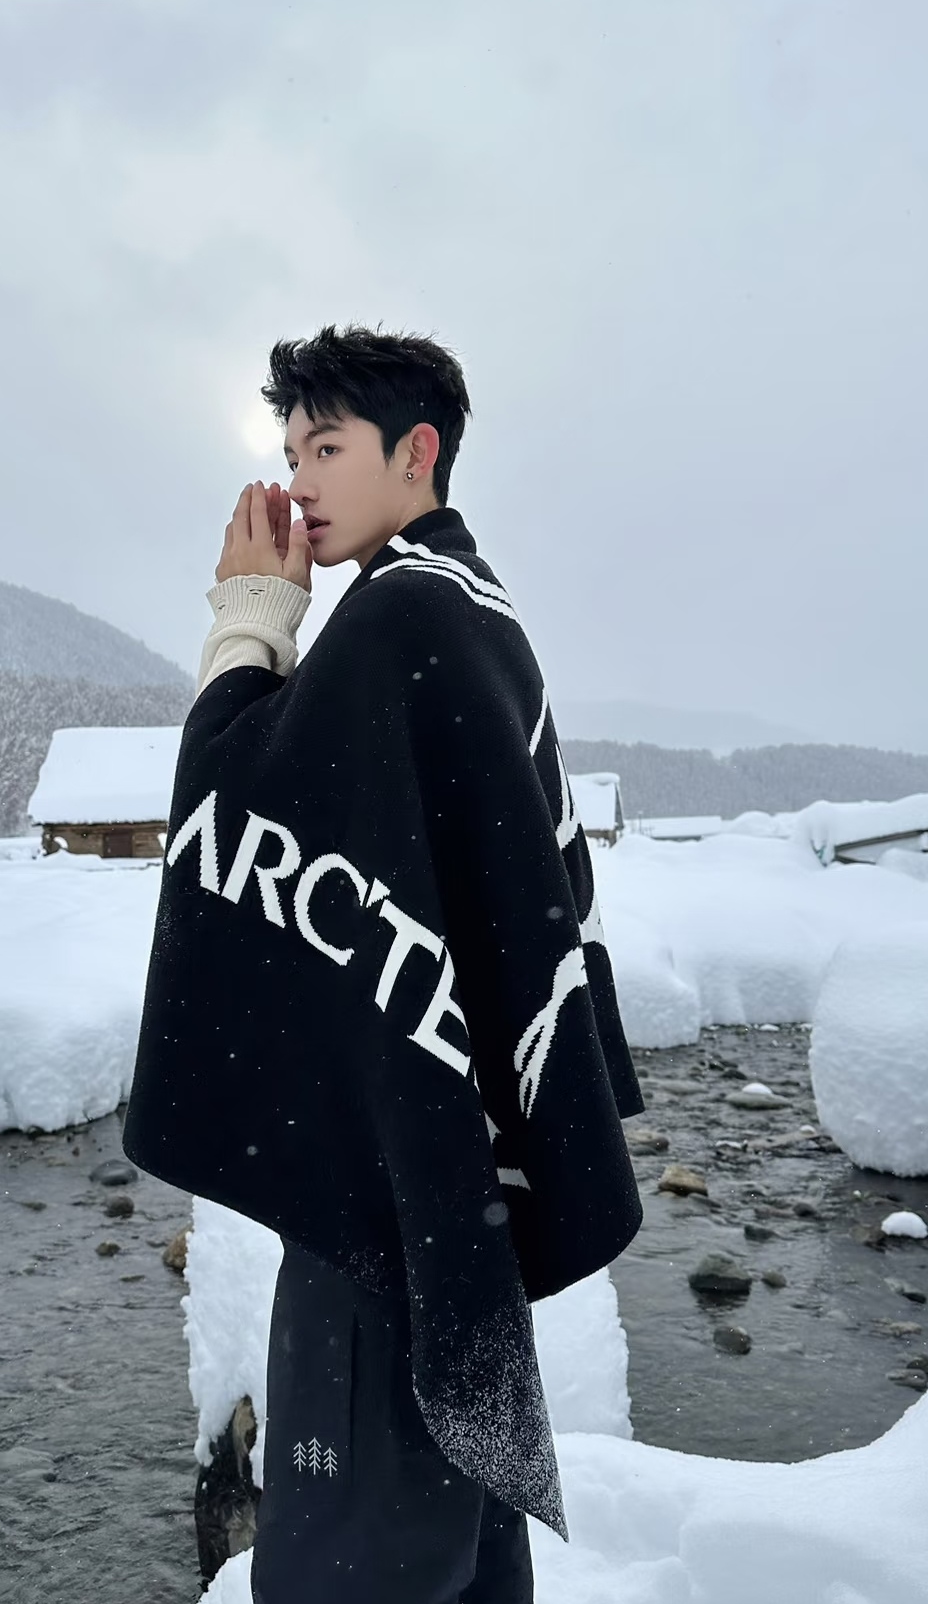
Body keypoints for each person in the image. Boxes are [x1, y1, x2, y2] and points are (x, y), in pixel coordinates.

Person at [123, 324, 645, 1603]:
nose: (297, 479)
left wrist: (249, 621)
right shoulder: (477, 611)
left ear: (417, 452)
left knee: (347, 1560)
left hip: (388, 1197)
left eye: (327, 446)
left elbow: (232, 809)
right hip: (452, 1179)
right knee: (453, 1533)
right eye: (290, 448)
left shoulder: (403, 614)